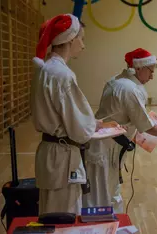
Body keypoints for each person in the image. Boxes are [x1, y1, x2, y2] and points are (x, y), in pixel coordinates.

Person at [82, 48, 157, 212]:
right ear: (138, 68)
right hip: (104, 150)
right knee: (100, 198)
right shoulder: (130, 89)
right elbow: (146, 124)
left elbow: (131, 119)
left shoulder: (117, 81)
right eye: (150, 71)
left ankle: (115, 226)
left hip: (108, 147)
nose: (152, 76)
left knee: (109, 193)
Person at [31, 14, 102, 214]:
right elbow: (79, 129)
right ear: (70, 39)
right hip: (61, 158)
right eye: (82, 39)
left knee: (50, 214)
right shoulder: (62, 74)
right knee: (64, 218)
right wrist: (91, 125)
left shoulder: (45, 69)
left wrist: (88, 122)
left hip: (50, 153)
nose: (83, 45)